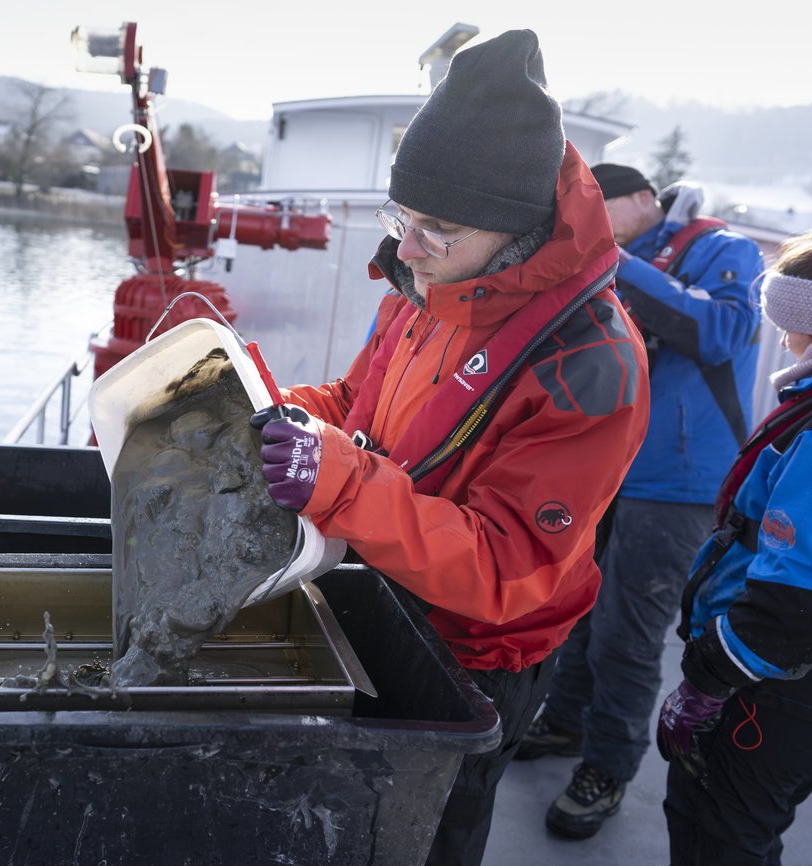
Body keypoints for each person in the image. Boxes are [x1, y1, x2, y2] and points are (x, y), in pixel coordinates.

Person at [248, 30, 650, 865]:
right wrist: (267, 409)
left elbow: (508, 568)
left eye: (437, 228)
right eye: (402, 217)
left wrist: (342, 481)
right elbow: (359, 403)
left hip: (476, 659)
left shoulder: (593, 363)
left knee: (424, 840)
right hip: (379, 590)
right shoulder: (426, 281)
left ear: (517, 231)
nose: (405, 246)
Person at [513, 163, 764, 838]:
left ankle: (609, 768)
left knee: (627, 633)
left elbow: (722, 333)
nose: (587, 222)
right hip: (607, 468)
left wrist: (612, 257)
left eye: (599, 207)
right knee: (578, 614)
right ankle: (566, 722)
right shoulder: (615, 259)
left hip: (679, 482)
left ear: (641, 199)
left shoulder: (722, 249)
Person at [657, 227, 812, 865]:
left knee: (720, 828)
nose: (788, 340)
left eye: (796, 324)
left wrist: (706, 681)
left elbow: (803, 606)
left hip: (794, 680)